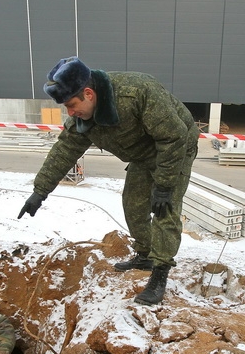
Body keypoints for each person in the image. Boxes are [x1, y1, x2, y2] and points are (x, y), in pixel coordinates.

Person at [17, 56, 200, 305]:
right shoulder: (84, 118)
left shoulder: (137, 93)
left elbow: (173, 137)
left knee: (164, 209)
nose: (70, 113)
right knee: (133, 205)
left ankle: (160, 273)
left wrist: (164, 186)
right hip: (142, 154)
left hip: (176, 148)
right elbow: (64, 150)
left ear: (89, 94)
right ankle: (145, 255)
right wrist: (40, 192)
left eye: (72, 105)